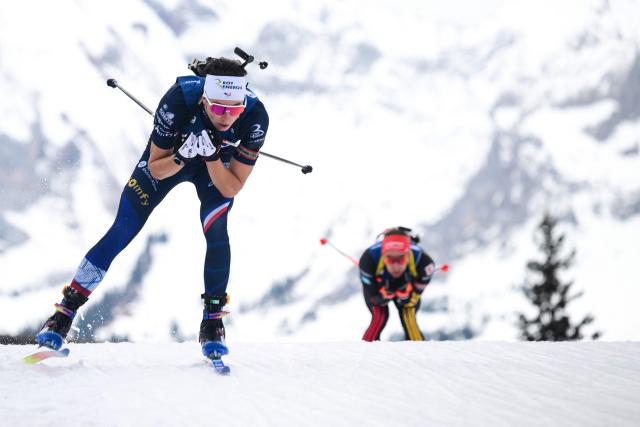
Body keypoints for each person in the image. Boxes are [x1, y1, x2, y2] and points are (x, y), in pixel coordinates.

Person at [35, 56, 269, 360]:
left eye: (233, 109)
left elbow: (231, 187)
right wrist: (183, 155)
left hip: (216, 167)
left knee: (217, 231)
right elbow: (156, 169)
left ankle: (212, 324)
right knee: (123, 229)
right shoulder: (178, 101)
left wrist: (211, 156)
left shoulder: (255, 118)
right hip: (171, 160)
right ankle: (62, 315)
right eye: (218, 108)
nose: (226, 117)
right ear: (203, 98)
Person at [359, 227, 436, 341]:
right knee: (379, 317)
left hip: (406, 284)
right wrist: (380, 298)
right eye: (390, 259)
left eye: (400, 259)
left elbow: (418, 289)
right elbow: (372, 293)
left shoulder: (424, 263)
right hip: (379, 285)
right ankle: (365, 354)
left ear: (408, 254)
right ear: (383, 255)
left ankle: (419, 354)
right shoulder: (368, 259)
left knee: (409, 317)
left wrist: (409, 297)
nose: (395, 265)